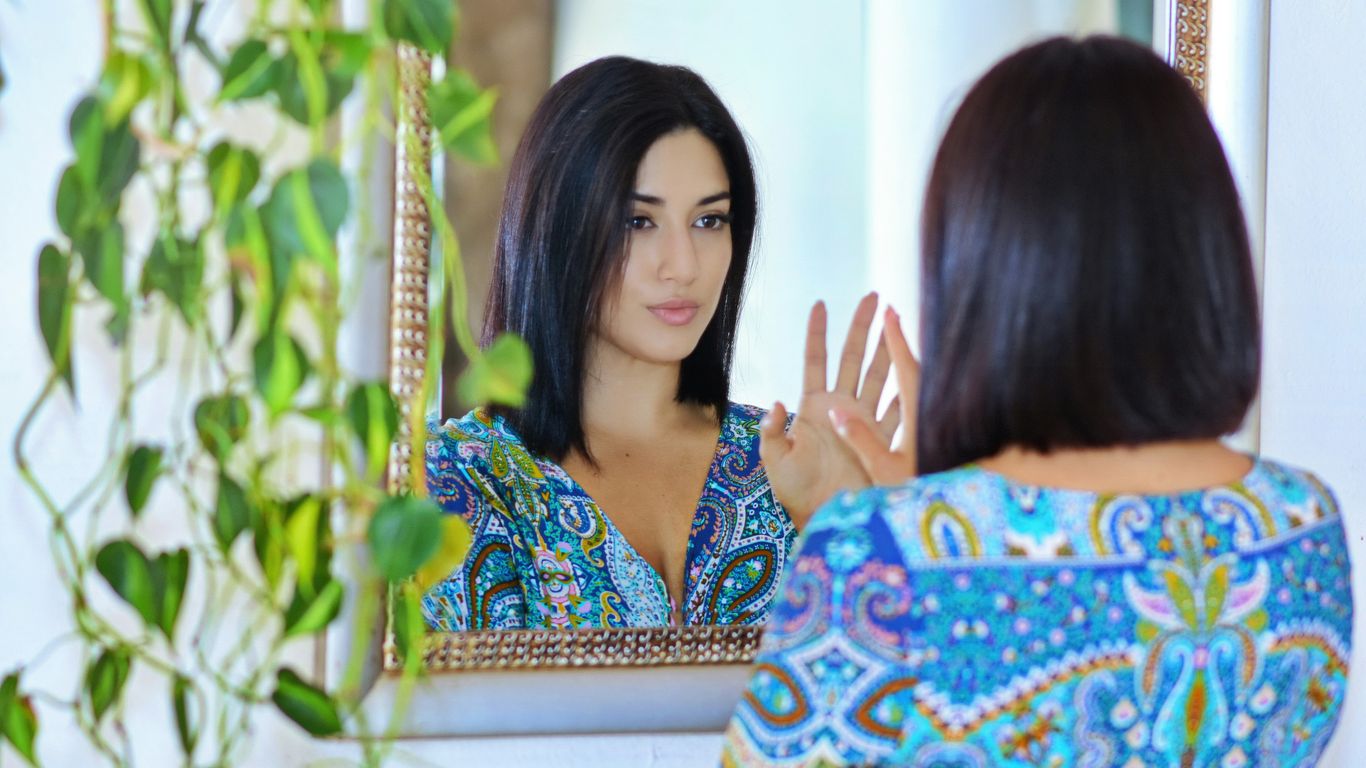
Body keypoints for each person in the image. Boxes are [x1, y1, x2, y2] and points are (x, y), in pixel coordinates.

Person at [724, 36, 1353, 766]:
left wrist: (903, 524)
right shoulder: (1301, 524)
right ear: (1207, 251)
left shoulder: (877, 553)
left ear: (977, 268)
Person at [421, 57, 897, 631]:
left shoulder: (797, 464)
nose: (683, 265)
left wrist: (856, 530)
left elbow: (904, 678)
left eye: (709, 220)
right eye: (638, 221)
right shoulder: (462, 479)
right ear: (557, 229)